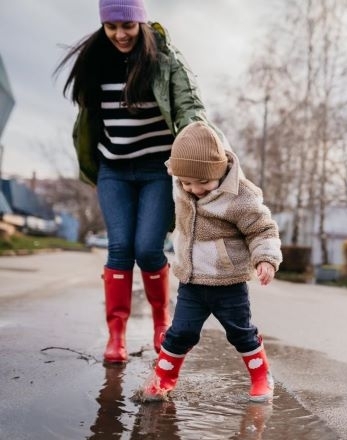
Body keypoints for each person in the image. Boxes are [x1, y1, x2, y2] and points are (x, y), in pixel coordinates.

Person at [55, 0, 233, 365]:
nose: (120, 34)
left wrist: (200, 145)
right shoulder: (95, 59)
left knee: (148, 249)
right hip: (113, 170)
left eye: (127, 25)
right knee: (119, 248)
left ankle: (160, 323)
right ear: (104, 26)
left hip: (156, 170)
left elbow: (188, 108)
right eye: (112, 26)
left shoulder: (165, 60)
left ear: (140, 22)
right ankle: (116, 335)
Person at [141, 121, 282, 403]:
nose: (195, 190)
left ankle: (260, 375)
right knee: (180, 333)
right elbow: (179, 172)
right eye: (187, 183)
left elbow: (262, 229)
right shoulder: (182, 185)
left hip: (228, 283)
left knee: (241, 333)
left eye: (204, 182)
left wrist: (265, 259)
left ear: (219, 170)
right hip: (191, 282)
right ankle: (164, 377)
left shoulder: (240, 197)